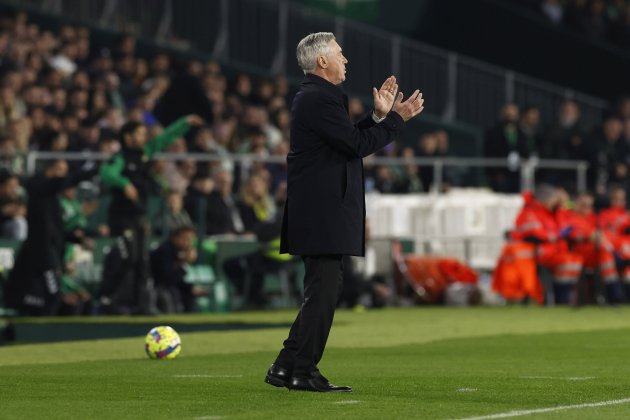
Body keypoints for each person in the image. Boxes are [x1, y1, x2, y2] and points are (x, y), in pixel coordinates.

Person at [264, 32, 424, 393]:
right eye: (339, 54)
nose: (346, 60)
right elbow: (353, 145)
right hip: (321, 210)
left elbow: (345, 140)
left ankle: (287, 365)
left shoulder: (318, 98)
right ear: (322, 61)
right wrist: (395, 121)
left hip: (320, 209)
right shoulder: (318, 99)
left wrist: (377, 117)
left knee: (323, 289)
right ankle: (301, 371)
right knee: (322, 290)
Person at [98, 114, 203, 315]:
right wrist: (124, 183)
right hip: (122, 217)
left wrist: (184, 124)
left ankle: (141, 304)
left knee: (141, 261)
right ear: (127, 137)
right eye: (139, 133)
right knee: (126, 257)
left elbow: (164, 139)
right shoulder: (121, 158)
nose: (143, 137)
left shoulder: (145, 153)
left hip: (139, 216)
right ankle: (106, 298)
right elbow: (106, 173)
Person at [4, 160, 95, 315]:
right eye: (59, 169)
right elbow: (60, 183)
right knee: (52, 298)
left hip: (50, 257)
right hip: (41, 258)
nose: (62, 175)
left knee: (58, 299)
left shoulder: (53, 199)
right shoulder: (37, 186)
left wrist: (78, 240)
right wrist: (90, 172)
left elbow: (57, 232)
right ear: (48, 170)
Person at [150, 225, 205, 313]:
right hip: (157, 287)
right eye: (186, 239)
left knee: (189, 296)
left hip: (169, 287)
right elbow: (167, 278)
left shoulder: (176, 252)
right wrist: (183, 262)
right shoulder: (165, 251)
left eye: (191, 240)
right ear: (175, 238)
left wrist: (190, 289)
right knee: (172, 294)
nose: (188, 243)